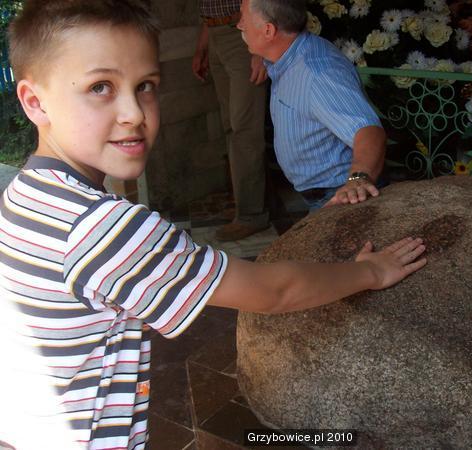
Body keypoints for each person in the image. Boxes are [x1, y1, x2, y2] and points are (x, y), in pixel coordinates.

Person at [0, 1, 427, 448]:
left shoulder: (24, 196)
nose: (135, 113)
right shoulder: (103, 229)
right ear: (35, 102)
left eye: (145, 86)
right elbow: (274, 291)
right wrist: (370, 272)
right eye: (100, 87)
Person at [236, 0, 387, 210]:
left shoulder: (318, 73)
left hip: (342, 196)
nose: (239, 25)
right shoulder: (285, 57)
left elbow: (369, 131)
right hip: (322, 194)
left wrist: (357, 181)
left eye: (243, 18)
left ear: (268, 30)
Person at [192, 0, 269, 241]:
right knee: (231, 126)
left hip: (241, 34)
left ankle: (251, 214)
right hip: (215, 33)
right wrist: (203, 46)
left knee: (244, 127)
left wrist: (259, 50)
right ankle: (245, 202)